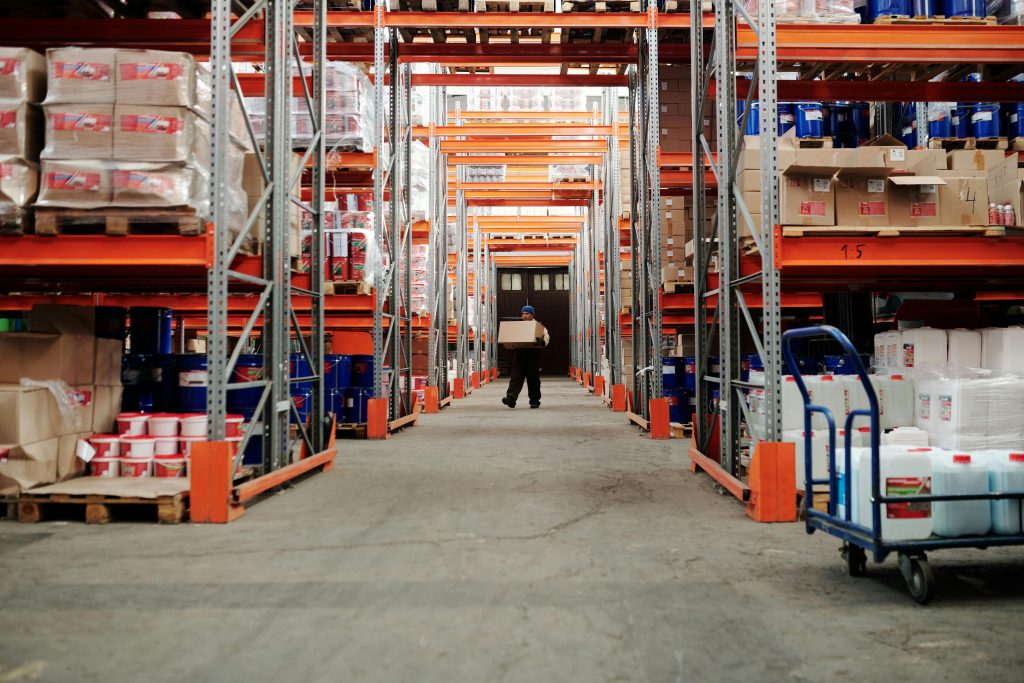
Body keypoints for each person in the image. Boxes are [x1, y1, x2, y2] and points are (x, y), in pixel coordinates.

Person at [502, 305, 550, 409]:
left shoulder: (538, 326)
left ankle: (534, 401)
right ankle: (511, 398)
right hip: (520, 354)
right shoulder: (518, 326)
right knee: (515, 377)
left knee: (533, 379)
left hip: (533, 355)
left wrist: (542, 342)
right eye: (523, 314)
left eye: (527, 314)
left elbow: (546, 337)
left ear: (532, 314)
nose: (524, 316)